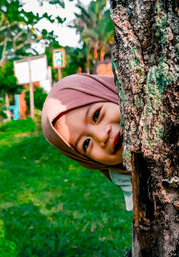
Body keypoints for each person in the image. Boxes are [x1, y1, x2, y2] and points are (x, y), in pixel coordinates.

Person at [41, 73, 133, 211]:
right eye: (86, 143)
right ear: (88, 161)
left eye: (96, 115)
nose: (101, 136)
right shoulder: (128, 181)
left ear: (110, 92)